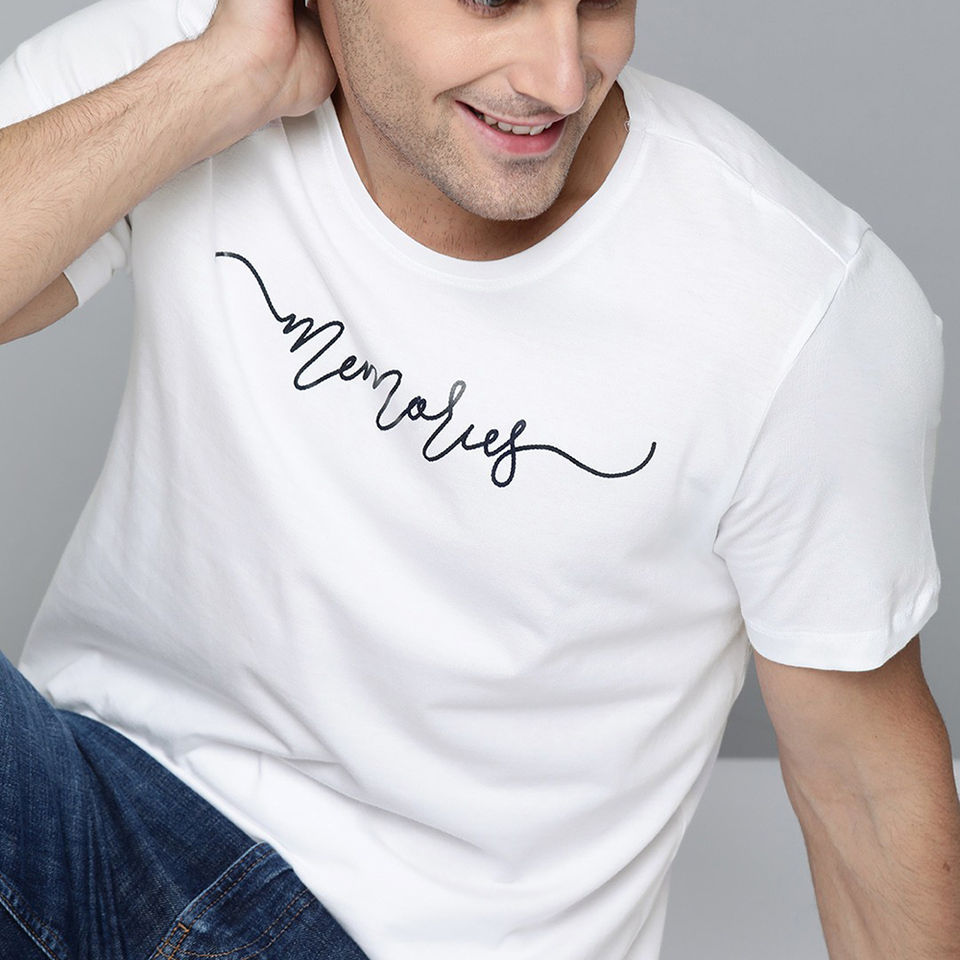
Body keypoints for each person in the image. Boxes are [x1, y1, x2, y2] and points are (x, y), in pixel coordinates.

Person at [1, 0, 958, 957]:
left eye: (600, 3)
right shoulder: (193, 61)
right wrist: (217, 82)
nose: (561, 80)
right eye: (492, 1)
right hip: (84, 817)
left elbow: (861, 790)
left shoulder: (801, 307)